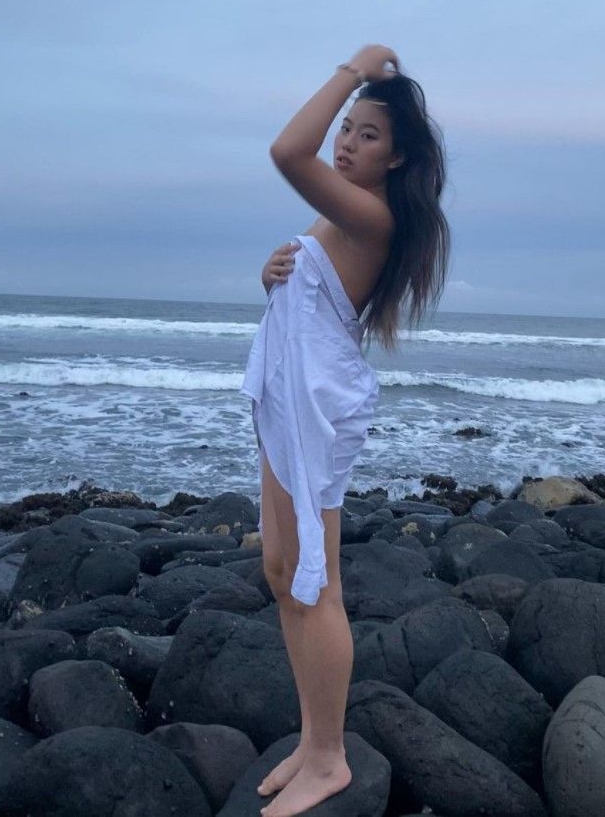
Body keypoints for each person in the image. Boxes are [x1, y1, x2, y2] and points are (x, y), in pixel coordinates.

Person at [240, 44, 450, 816]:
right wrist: (273, 274)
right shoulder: (342, 214)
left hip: (318, 405)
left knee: (315, 580)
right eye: (348, 129)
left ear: (396, 159)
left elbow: (286, 151)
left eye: (367, 134)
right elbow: (314, 295)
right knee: (279, 567)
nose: (347, 142)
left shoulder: (373, 214)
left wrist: (351, 71)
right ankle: (312, 737)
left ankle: (329, 758)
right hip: (292, 396)